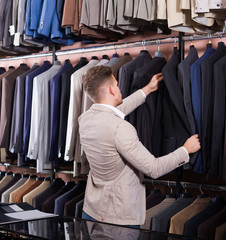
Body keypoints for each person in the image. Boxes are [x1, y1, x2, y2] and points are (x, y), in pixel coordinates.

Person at [79, 65, 200, 227]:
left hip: (92, 210)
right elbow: (153, 168)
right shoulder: (121, 128)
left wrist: (147, 90)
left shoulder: (85, 119)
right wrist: (186, 149)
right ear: (111, 90)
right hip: (118, 219)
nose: (119, 87)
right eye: (116, 84)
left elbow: (114, 112)